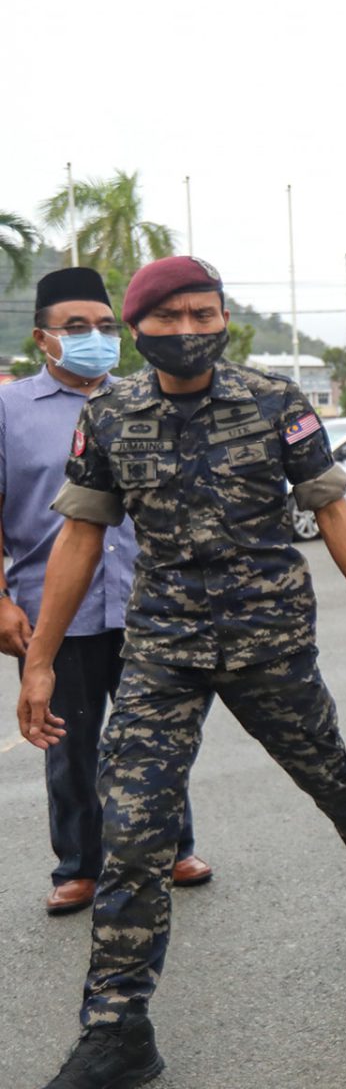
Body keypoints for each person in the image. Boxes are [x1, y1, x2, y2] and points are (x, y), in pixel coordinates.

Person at [19, 256, 346, 1089]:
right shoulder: (111, 413)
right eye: (169, 319)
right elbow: (82, 536)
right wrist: (40, 661)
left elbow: (330, 505)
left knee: (330, 775)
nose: (190, 332)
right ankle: (118, 1025)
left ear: (224, 318)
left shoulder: (274, 400)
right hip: (162, 645)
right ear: (138, 329)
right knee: (131, 831)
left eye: (204, 314)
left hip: (268, 635)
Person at [1, 267, 211, 915]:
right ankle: (80, 866)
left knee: (158, 734)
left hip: (147, 601)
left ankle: (173, 848)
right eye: (75, 328)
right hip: (51, 611)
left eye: (102, 325)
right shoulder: (8, 412)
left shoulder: (145, 401)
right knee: (69, 742)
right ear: (43, 338)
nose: (94, 338)